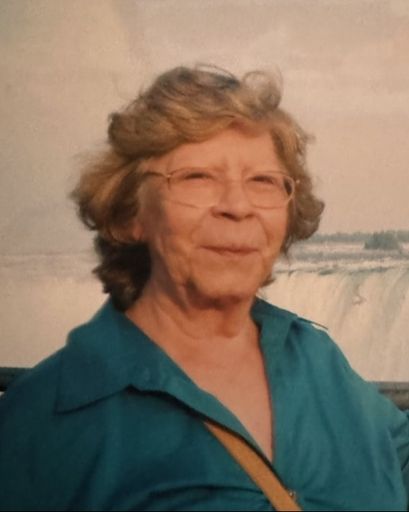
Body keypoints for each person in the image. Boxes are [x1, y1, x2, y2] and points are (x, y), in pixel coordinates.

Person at [0, 65, 408, 511]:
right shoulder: (41, 424)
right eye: (197, 177)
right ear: (130, 214)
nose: (238, 206)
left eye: (263, 181)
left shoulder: (315, 359)